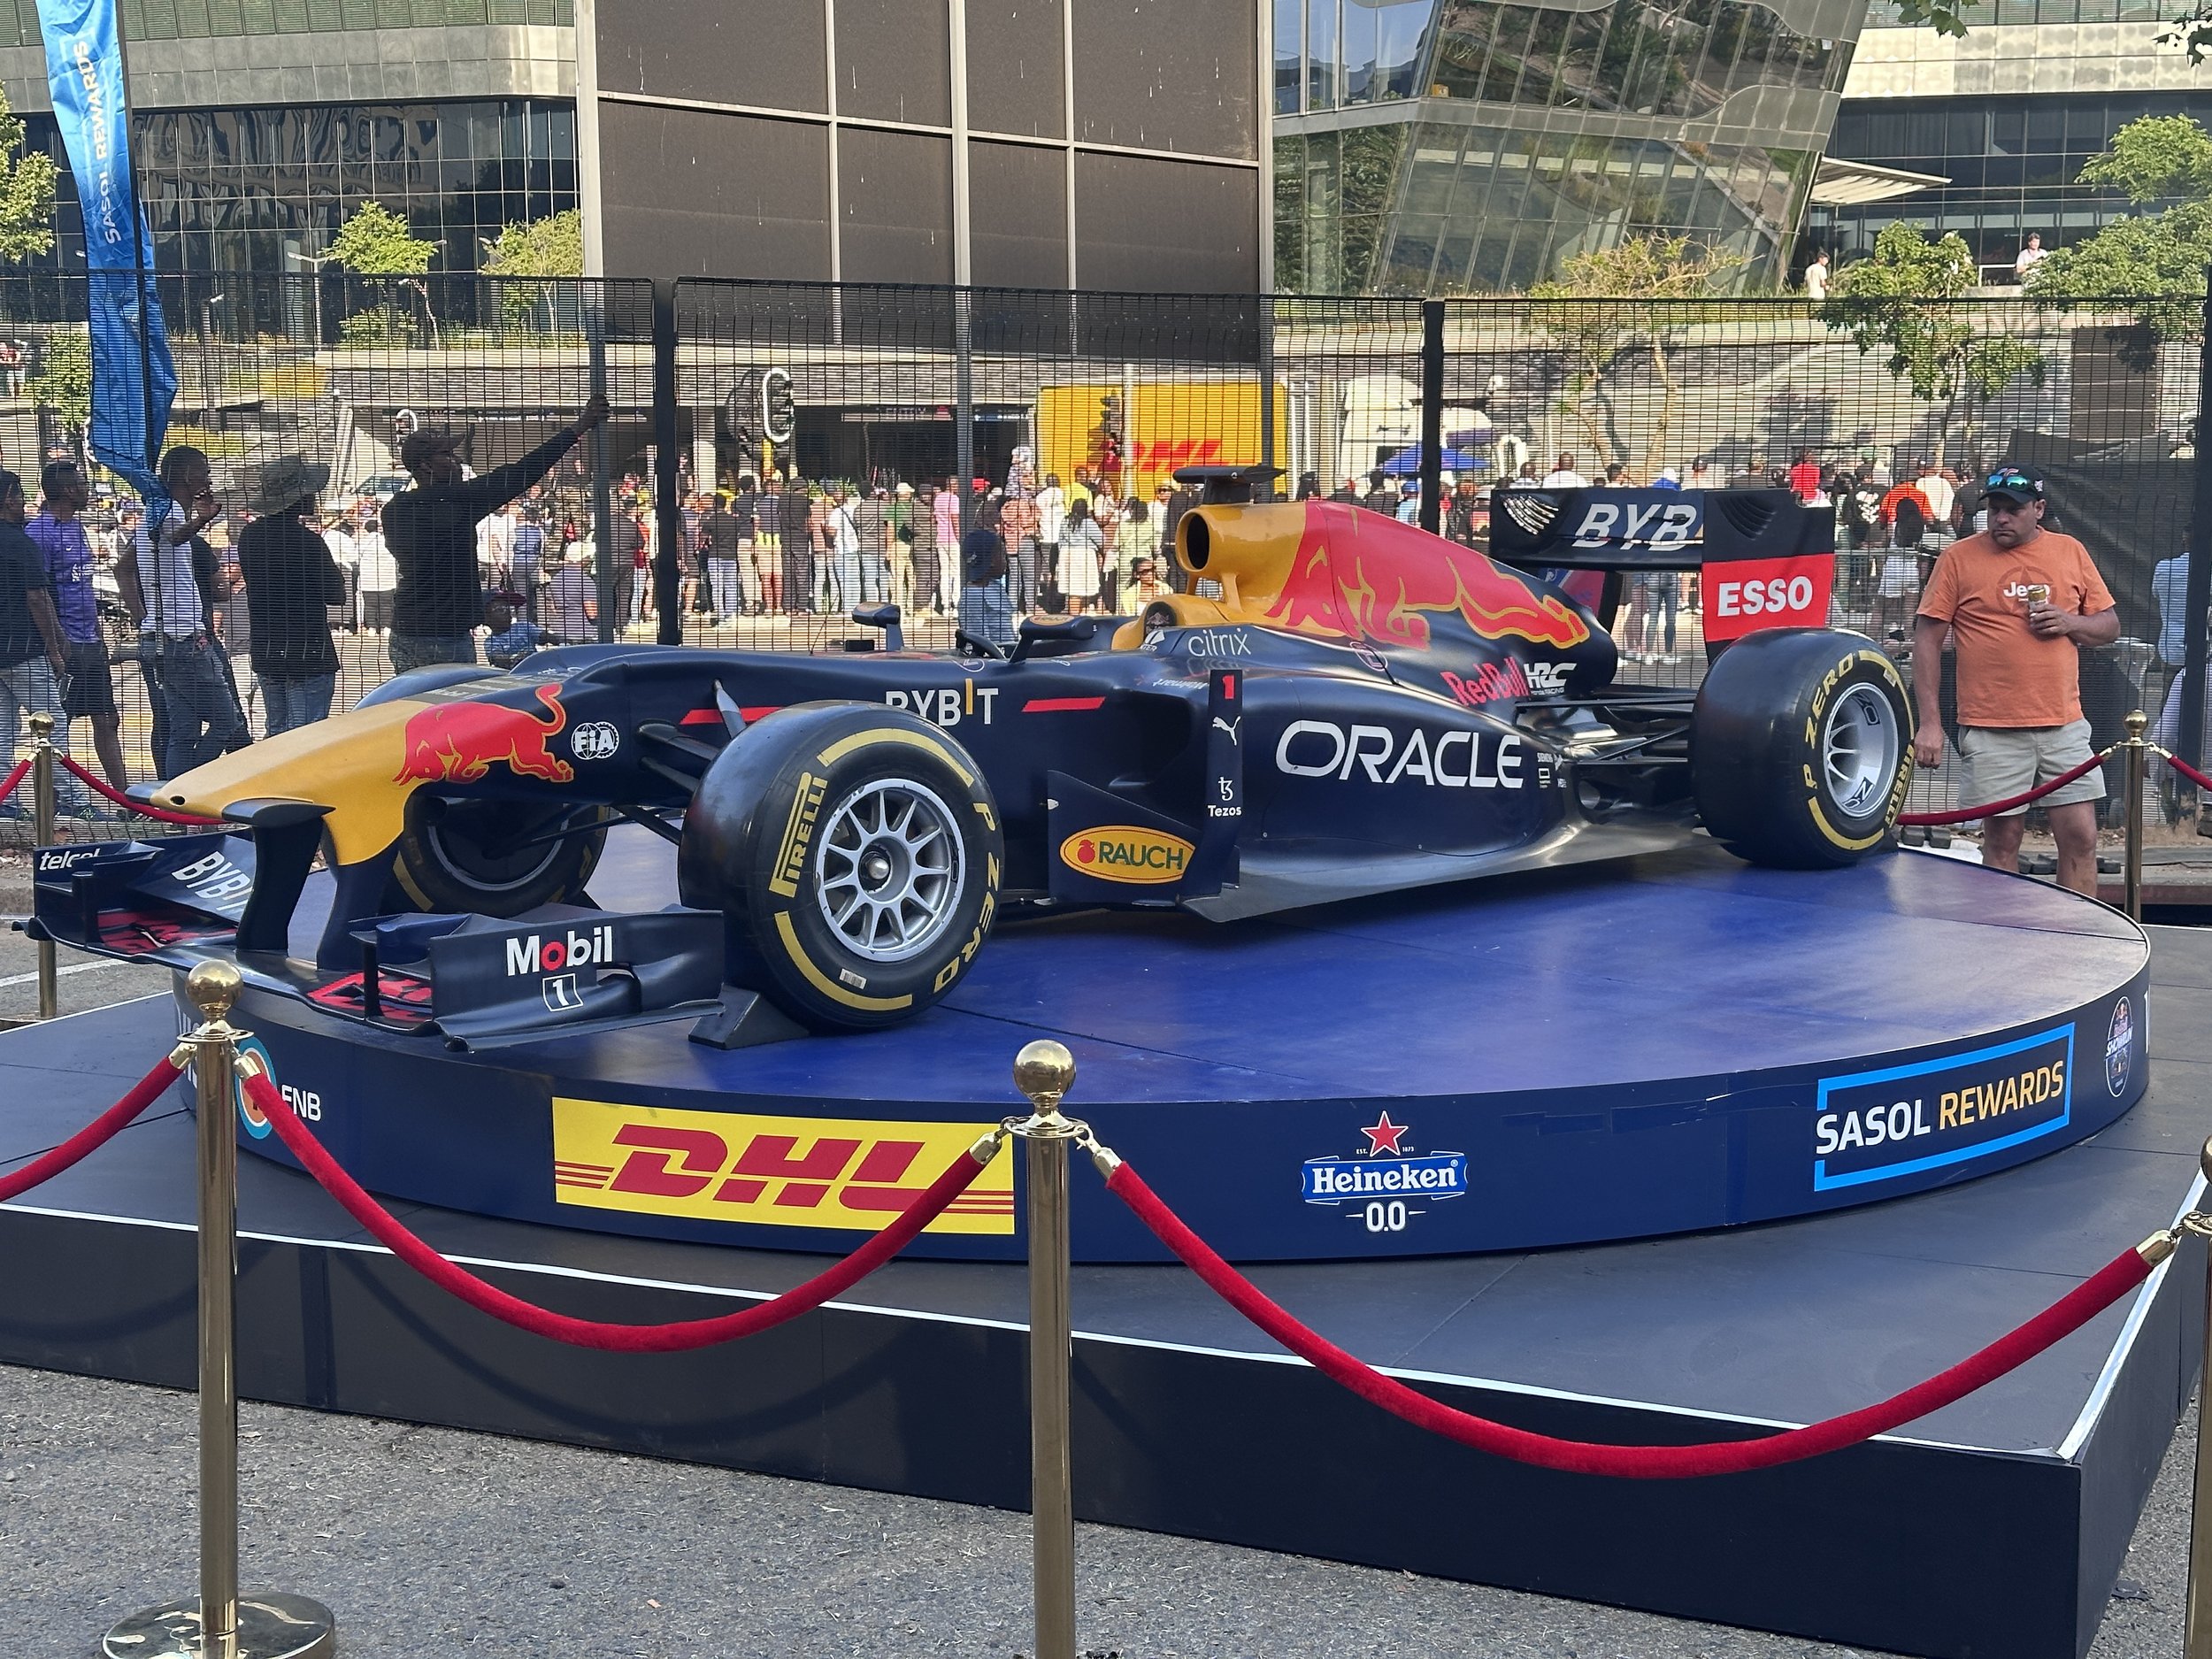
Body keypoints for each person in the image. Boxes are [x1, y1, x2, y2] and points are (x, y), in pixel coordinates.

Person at [1912, 467, 2120, 895]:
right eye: (1995, 509)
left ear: (2038, 509)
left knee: (2081, 837)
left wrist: (2070, 622)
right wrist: (1929, 723)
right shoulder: (1959, 558)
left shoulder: (2069, 551)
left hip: (2063, 723)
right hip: (1992, 727)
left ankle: (2076, 932)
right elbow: (1927, 641)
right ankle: (2005, 933)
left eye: (2013, 509)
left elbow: (2109, 626)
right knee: (2003, 839)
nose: (2001, 518)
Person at [383, 396, 609, 672]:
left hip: (406, 628)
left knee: (410, 699)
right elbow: (523, 472)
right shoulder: (461, 500)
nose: (457, 461)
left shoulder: (394, 509)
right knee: (453, 699)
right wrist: (580, 426)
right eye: (447, 455)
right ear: (426, 466)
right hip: (447, 633)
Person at [119, 446, 248, 779]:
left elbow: (124, 567)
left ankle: (174, 795)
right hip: (182, 639)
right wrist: (200, 520)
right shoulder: (169, 511)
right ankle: (189, 781)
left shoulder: (153, 512)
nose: (208, 480)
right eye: (204, 472)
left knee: (183, 730)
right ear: (187, 476)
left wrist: (143, 617)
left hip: (162, 637)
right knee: (227, 721)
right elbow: (176, 537)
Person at [26, 460, 128, 792]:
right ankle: (57, 799)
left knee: (107, 718)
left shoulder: (77, 527)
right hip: (65, 643)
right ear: (69, 490)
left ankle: (125, 797)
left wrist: (97, 629)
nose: (88, 490)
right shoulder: (39, 533)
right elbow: (38, 592)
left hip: (90, 641)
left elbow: (82, 586)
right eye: (83, 485)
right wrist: (56, 643)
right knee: (58, 725)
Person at [0, 469, 94, 818]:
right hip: (24, 650)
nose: (23, 502)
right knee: (51, 727)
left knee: (2, 731)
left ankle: (5, 803)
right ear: (8, 499)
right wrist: (55, 647)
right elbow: (38, 598)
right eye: (19, 495)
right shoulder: (19, 542)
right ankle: (71, 802)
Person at [234, 456, 346, 739]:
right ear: (296, 498)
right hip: (308, 652)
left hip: (268, 649)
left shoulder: (249, 537)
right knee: (304, 737)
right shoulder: (308, 542)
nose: (313, 496)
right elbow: (336, 594)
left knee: (277, 732)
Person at [958, 499, 1013, 648]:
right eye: (1002, 555)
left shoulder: (996, 587)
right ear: (992, 560)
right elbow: (979, 643)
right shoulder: (973, 597)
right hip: (994, 659)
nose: (1005, 561)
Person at [699, 492, 743, 623]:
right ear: (725, 504)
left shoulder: (711, 520)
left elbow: (701, 540)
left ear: (714, 504)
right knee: (731, 586)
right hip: (731, 556)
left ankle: (720, 613)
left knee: (717, 586)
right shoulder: (734, 521)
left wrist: (705, 544)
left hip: (715, 555)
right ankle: (731, 613)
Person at [1057, 496, 1103, 615]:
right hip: (1084, 555)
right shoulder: (1089, 523)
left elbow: (1060, 541)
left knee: (1073, 588)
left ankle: (1077, 613)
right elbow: (1101, 540)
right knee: (1079, 589)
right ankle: (1075, 615)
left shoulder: (1065, 522)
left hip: (1067, 555)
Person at [353, 509, 396, 634]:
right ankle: (386, 627)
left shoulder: (363, 542)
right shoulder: (388, 541)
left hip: (368, 578)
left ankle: (371, 627)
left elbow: (355, 558)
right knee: (386, 604)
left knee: (369, 604)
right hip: (387, 578)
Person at [483, 600, 557, 668]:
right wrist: (515, 658)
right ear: (488, 618)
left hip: (537, 667)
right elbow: (497, 658)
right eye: (501, 610)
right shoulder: (491, 641)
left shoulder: (524, 626)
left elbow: (544, 636)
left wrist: (558, 639)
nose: (507, 612)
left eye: (508, 608)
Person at [547, 542, 597, 641]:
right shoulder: (585, 581)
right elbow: (592, 613)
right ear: (583, 559)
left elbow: (553, 608)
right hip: (584, 634)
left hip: (560, 632)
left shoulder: (555, 579)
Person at [781, 478, 816, 613]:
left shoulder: (782, 500)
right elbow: (808, 523)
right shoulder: (804, 501)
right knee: (802, 574)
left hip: (786, 539)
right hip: (800, 539)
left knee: (788, 574)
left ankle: (788, 606)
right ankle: (801, 606)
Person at [510, 503, 548, 623]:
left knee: (522, 596)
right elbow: (542, 549)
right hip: (534, 564)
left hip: (519, 564)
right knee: (538, 594)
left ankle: (523, 621)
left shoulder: (514, 531)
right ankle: (540, 620)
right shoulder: (540, 532)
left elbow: (510, 548)